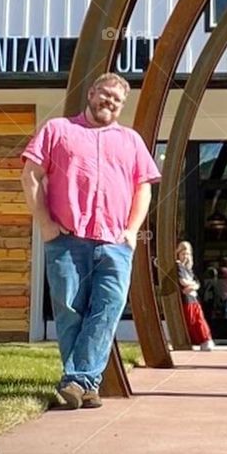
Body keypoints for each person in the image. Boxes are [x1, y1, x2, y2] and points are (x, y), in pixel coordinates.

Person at [20, 72, 160, 409]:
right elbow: (31, 175)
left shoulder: (131, 140)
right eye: (105, 94)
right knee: (70, 310)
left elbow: (144, 187)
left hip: (114, 243)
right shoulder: (58, 130)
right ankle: (86, 384)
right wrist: (46, 224)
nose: (109, 102)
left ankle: (78, 380)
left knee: (108, 309)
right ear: (92, 92)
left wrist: (131, 232)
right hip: (67, 240)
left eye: (117, 100)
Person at [176, 241, 216, 350]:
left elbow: (197, 283)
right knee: (192, 320)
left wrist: (193, 285)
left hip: (193, 297)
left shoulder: (188, 269)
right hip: (186, 299)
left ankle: (205, 339)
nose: (186, 256)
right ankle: (202, 340)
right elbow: (183, 281)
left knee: (198, 318)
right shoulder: (178, 266)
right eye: (183, 253)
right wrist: (192, 285)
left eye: (188, 254)